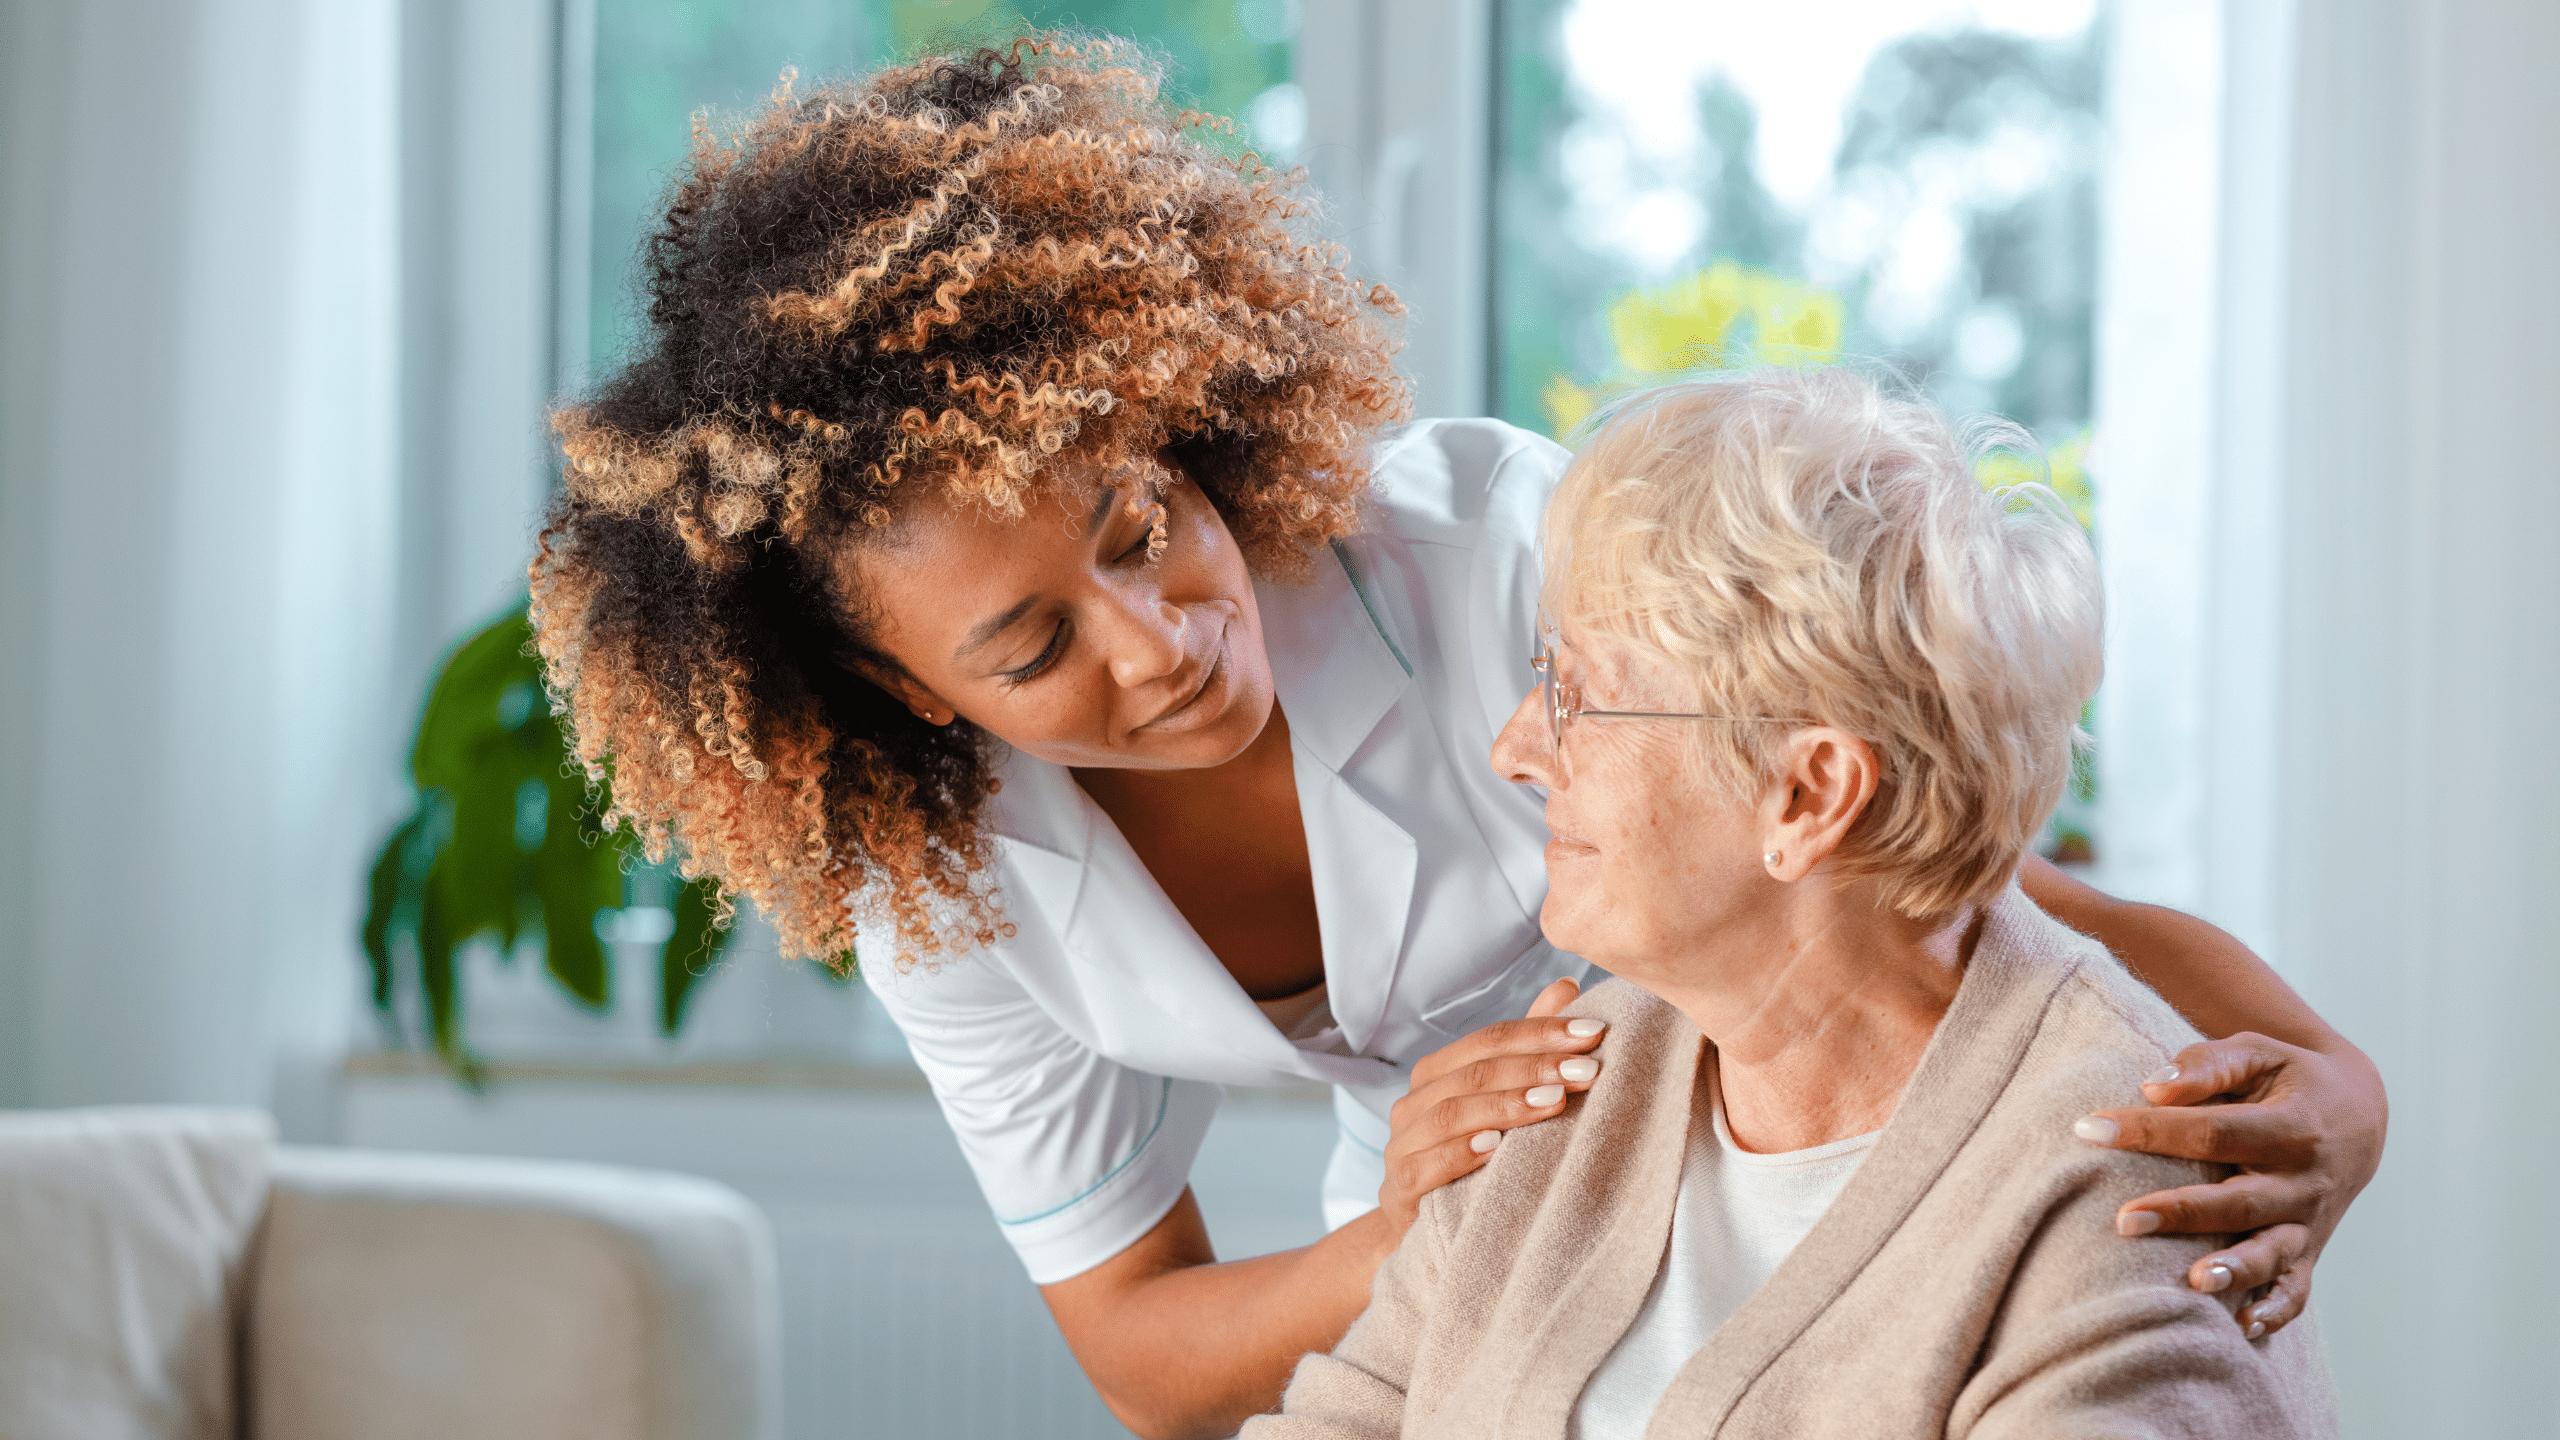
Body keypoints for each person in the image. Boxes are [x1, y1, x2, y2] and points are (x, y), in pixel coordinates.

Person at [528, 35, 2380, 1440]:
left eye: (1142, 523)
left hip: (1789, 1119)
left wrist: (2329, 1077)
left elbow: (1939, 863)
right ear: (914, 697)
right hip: (1489, 1215)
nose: (1167, 641)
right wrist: (1414, 1216)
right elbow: (1148, 1350)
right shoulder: (945, 878)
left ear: (1176, 421)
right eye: (1034, 648)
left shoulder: (1496, 557)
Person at [1247, 368, 2337, 1439]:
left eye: (1578, 692)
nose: (1516, 746)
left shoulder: (2124, 1207)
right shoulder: (1571, 1073)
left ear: (1807, 794)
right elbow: (1351, 1415)